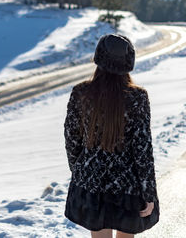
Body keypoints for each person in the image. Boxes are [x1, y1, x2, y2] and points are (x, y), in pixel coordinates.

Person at [64, 34, 159, 238]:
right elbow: (142, 149)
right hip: (128, 186)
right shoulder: (137, 98)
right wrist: (148, 192)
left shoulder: (81, 93)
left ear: (98, 58)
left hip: (91, 182)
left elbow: (72, 139)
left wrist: (80, 169)